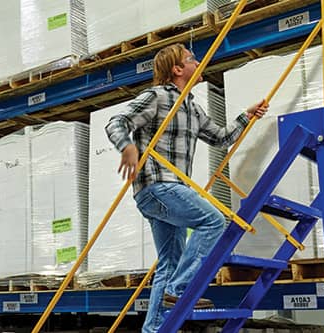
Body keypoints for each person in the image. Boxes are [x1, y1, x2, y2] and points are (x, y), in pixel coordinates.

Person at [105, 43, 267, 333]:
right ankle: (180, 289)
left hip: (171, 192)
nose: (199, 63)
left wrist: (247, 115)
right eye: (193, 59)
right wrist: (127, 145)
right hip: (157, 186)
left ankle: (154, 328)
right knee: (214, 220)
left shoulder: (193, 108)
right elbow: (117, 122)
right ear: (177, 69)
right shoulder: (157, 97)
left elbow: (220, 138)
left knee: (169, 261)